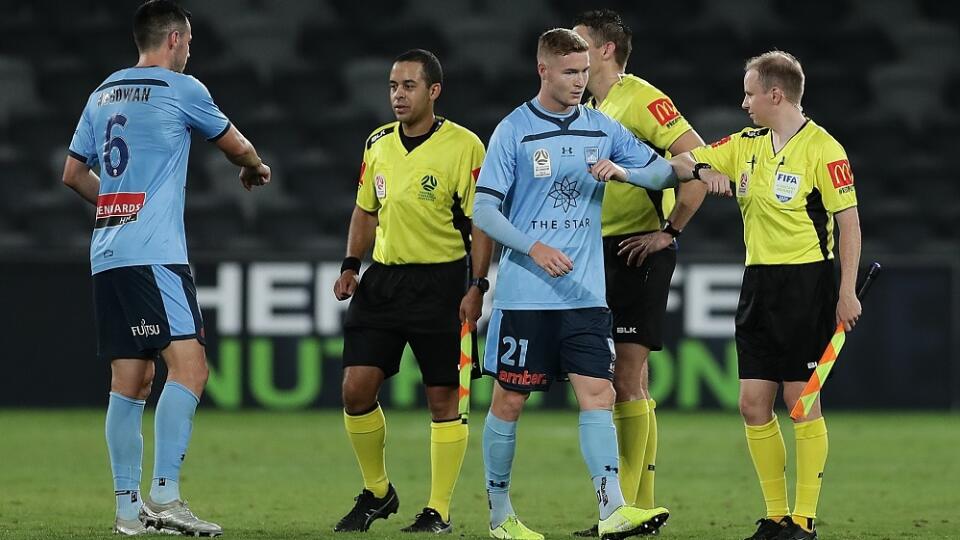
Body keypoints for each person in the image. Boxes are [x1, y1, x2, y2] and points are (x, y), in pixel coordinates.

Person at [472, 28, 728, 540]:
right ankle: (501, 516)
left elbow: (659, 172)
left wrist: (630, 174)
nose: (579, 81)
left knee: (599, 392)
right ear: (543, 70)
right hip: (527, 293)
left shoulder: (600, 127)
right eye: (569, 72)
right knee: (509, 402)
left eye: (585, 72)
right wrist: (533, 248)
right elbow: (483, 209)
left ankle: (612, 509)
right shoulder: (513, 131)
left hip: (586, 294)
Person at [61, 0, 271, 536]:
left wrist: (115, 205)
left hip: (107, 253)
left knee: (130, 381)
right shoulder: (183, 89)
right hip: (154, 254)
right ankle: (164, 496)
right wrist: (255, 168)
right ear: (175, 39)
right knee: (192, 369)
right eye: (190, 42)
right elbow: (237, 145)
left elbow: (72, 173)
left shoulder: (101, 92)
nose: (190, 51)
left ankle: (128, 513)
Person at [665, 50, 861, 540]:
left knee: (800, 401)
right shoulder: (746, 143)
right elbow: (682, 160)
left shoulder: (825, 149)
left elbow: (849, 223)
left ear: (776, 94)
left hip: (807, 283)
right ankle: (775, 518)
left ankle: (804, 520)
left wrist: (847, 291)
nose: (744, 101)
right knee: (753, 402)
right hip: (757, 283)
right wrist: (699, 171)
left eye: (750, 92)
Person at [332, 48, 493, 534]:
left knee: (443, 400)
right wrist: (350, 264)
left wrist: (477, 285)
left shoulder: (464, 146)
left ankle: (437, 510)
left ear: (433, 91)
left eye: (408, 86)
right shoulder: (377, 143)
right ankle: (378, 492)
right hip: (382, 280)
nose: (398, 95)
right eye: (392, 87)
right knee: (355, 390)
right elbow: (366, 209)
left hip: (442, 283)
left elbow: (480, 223)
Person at [570, 11, 708, 535]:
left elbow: (698, 161)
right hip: (592, 253)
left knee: (625, 378)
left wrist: (669, 231)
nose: (571, 51)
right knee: (622, 382)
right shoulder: (585, 106)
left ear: (605, 51)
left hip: (637, 251)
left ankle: (629, 509)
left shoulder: (642, 99)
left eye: (580, 43)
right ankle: (633, 508)